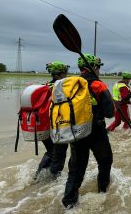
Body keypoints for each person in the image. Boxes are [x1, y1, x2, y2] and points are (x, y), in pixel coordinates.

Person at [62, 54, 114, 208]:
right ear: (95, 67)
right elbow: (110, 113)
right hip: (96, 132)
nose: (99, 70)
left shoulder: (70, 84)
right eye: (99, 67)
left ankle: (68, 204)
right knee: (105, 162)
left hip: (76, 132)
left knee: (76, 170)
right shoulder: (98, 85)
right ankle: (102, 193)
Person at [35, 61, 70, 178]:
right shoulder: (61, 88)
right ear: (60, 75)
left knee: (51, 152)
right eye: (65, 73)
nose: (66, 76)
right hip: (57, 127)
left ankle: (39, 175)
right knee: (58, 153)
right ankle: (53, 179)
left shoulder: (45, 86)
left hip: (42, 126)